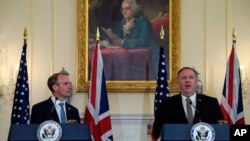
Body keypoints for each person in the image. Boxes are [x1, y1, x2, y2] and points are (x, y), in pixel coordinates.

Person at [152, 67, 224, 139]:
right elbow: (156, 130)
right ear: (178, 82)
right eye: (183, 78)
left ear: (196, 81)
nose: (187, 80)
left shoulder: (211, 103)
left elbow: (221, 129)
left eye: (191, 77)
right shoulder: (166, 104)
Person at [101, 0, 160, 79]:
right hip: (129, 57)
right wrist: (112, 37)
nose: (124, 12)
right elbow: (118, 39)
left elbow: (142, 42)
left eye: (127, 9)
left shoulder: (143, 21)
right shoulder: (122, 22)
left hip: (149, 58)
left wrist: (123, 41)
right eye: (123, 9)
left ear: (134, 9)